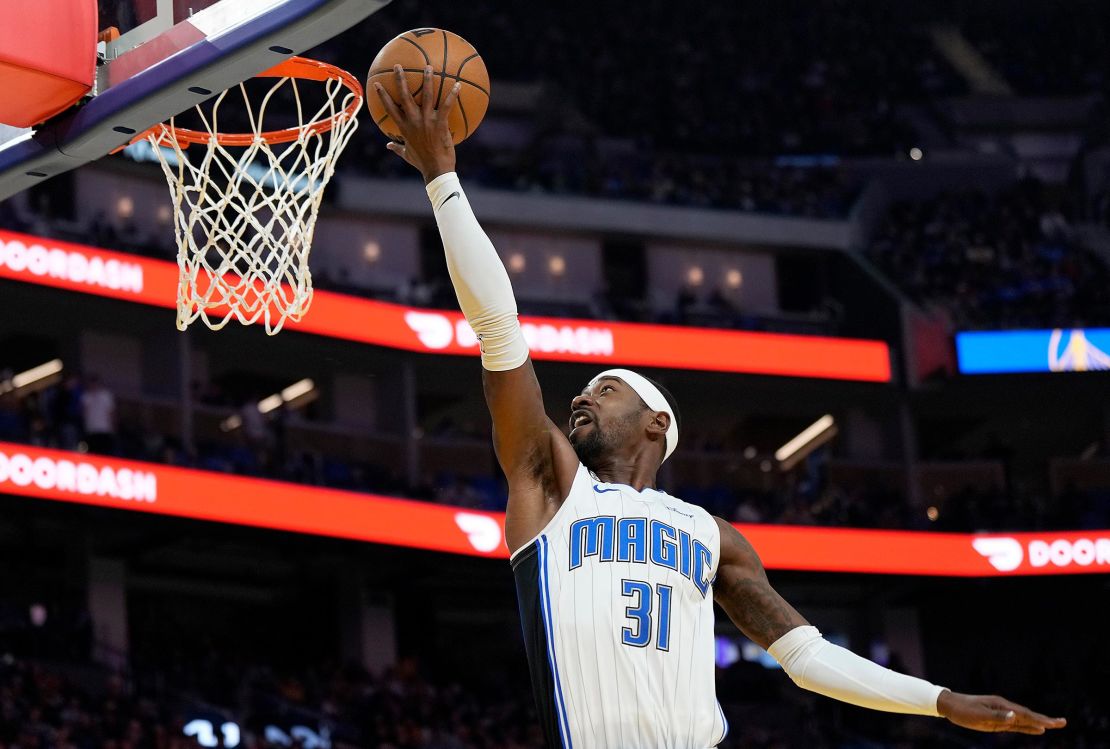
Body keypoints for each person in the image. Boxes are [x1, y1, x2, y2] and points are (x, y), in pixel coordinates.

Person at [373, 66, 1067, 748]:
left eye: (605, 388)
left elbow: (807, 656)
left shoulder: (713, 535)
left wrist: (940, 700)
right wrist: (443, 182)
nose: (581, 395)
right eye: (584, 389)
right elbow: (499, 328)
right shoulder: (553, 484)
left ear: (657, 422)